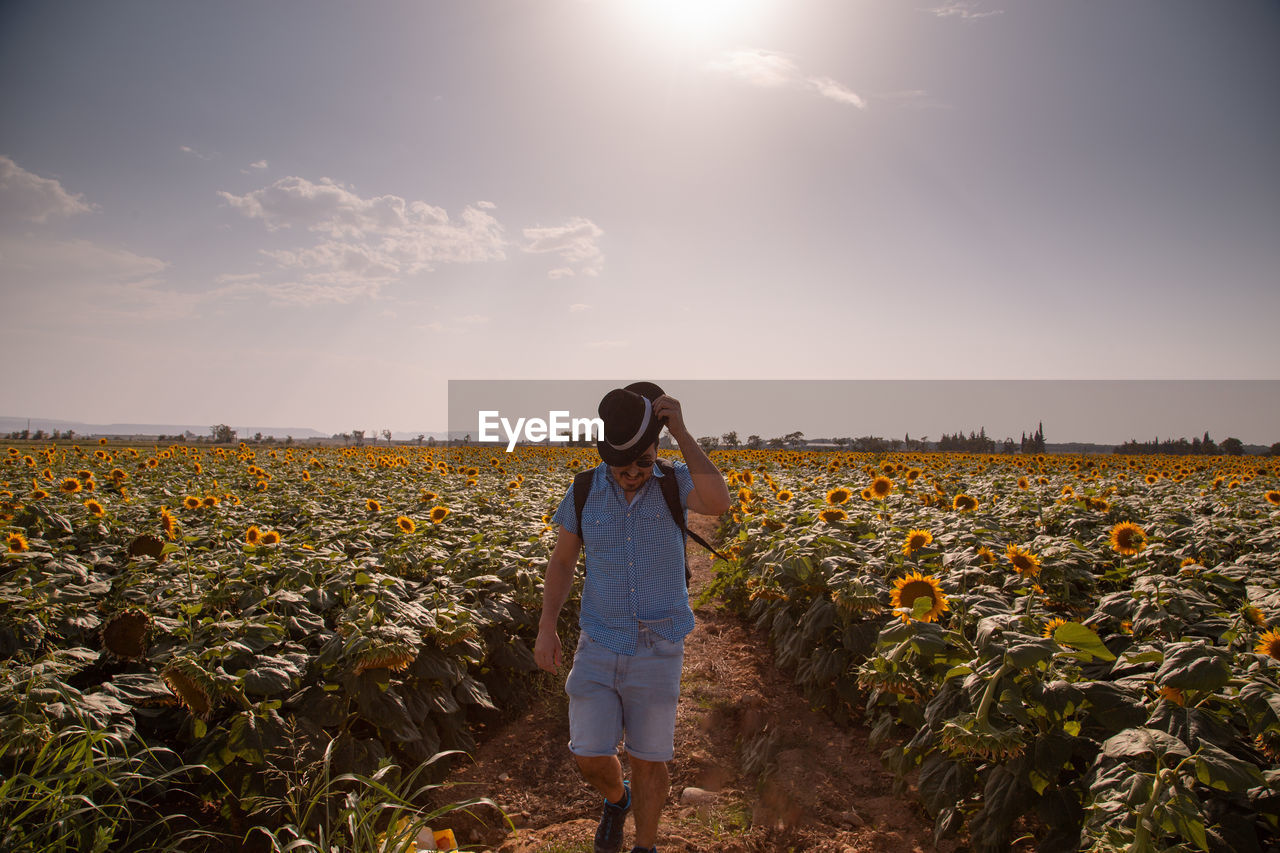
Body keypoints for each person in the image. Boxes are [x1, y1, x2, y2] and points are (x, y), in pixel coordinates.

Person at [534, 382, 731, 853]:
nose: (633, 473)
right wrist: (546, 627)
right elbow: (562, 562)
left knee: (649, 757)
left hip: (658, 643)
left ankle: (644, 845)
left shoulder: (675, 481)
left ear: (656, 449)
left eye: (644, 461)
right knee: (588, 756)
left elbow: (719, 503)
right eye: (621, 465)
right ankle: (616, 799)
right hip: (599, 639)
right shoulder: (584, 490)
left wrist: (682, 432)